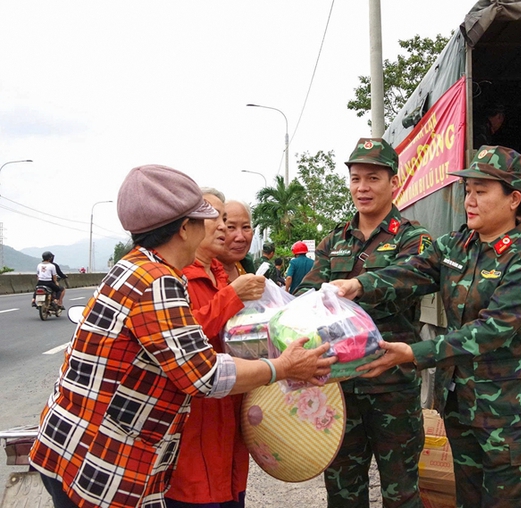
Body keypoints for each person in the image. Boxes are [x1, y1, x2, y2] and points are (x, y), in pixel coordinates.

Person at [29, 165, 335, 508]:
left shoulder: (131, 266)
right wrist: (283, 367)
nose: (217, 228)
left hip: (67, 446)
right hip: (101, 462)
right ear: (185, 228)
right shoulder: (158, 280)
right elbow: (204, 375)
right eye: (208, 220)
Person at [333, 146, 521, 508]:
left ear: (514, 199)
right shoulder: (459, 244)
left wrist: (412, 353)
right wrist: (358, 285)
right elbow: (411, 270)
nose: (469, 200)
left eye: (481, 191)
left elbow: (489, 331)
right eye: (468, 190)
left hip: (509, 416)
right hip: (462, 406)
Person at [296, 137, 432, 508]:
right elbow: (307, 300)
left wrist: (360, 285)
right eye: (356, 178)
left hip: (391, 386)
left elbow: (416, 274)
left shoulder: (412, 237)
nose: (362, 188)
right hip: (339, 389)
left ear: (394, 183)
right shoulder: (333, 241)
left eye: (372, 178)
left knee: (401, 490)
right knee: (342, 491)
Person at [166, 188, 267, 508]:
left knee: (231, 493)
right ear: (187, 227)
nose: (224, 227)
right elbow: (183, 340)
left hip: (230, 418)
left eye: (228, 220)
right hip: (196, 423)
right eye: (217, 218)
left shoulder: (225, 275)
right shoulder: (175, 277)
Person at [219, 200, 257, 282]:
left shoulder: (247, 266)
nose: (240, 238)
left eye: (246, 227)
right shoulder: (201, 275)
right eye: (231, 227)